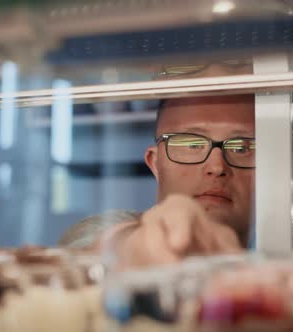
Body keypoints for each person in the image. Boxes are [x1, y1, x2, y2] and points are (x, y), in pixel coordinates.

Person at [60, 92, 256, 269]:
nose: (217, 167)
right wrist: (136, 246)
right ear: (155, 163)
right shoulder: (106, 230)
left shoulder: (279, 244)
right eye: (191, 144)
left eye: (241, 148)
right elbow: (93, 248)